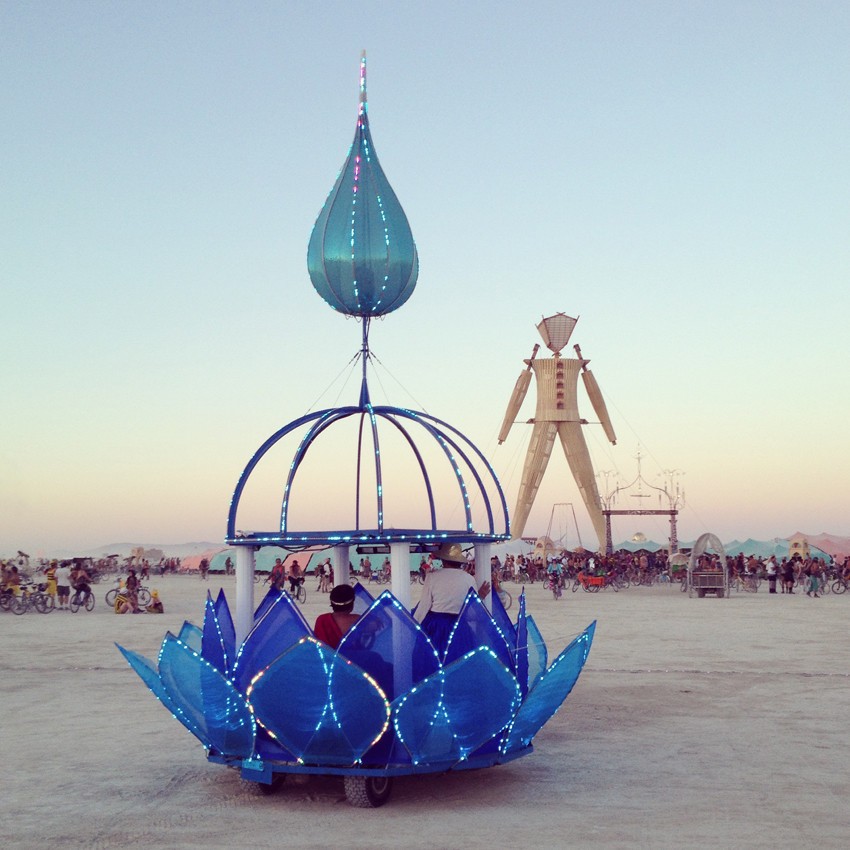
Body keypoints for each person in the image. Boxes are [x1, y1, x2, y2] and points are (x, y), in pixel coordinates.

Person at [414, 543, 490, 657]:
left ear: (443, 560)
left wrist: (414, 625)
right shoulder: (469, 579)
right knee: (458, 659)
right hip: (459, 626)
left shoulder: (432, 577)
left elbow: (424, 606)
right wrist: (480, 597)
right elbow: (471, 610)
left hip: (436, 626)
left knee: (433, 659)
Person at [313, 584, 360, 650]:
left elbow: (317, 646)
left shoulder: (322, 620)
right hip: (354, 656)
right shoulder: (360, 620)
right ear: (352, 603)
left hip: (327, 656)